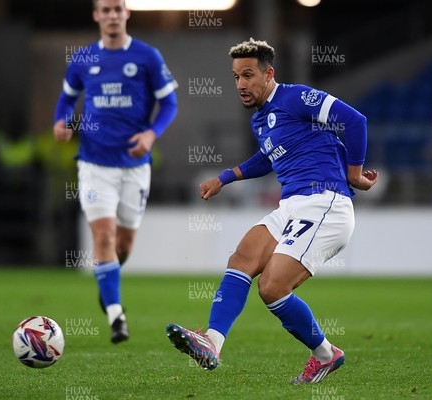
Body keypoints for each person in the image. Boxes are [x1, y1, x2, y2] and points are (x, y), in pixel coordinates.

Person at [166, 38, 377, 383]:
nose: (241, 85)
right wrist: (225, 177)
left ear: (269, 74)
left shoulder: (294, 97)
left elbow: (355, 121)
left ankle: (325, 355)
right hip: (293, 206)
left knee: (272, 287)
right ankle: (213, 343)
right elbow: (269, 156)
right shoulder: (261, 120)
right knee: (242, 258)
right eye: (236, 77)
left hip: (326, 204)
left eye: (248, 75)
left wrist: (354, 174)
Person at [53, 0, 178, 343]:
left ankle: (106, 281)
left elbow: (169, 102)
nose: (111, 15)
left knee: (123, 244)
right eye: (104, 10)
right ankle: (116, 315)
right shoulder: (82, 59)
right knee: (104, 237)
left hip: (135, 166)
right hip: (94, 163)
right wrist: (60, 122)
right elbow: (66, 99)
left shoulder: (147, 56)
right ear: (96, 15)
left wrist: (151, 134)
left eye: (116, 9)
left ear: (127, 13)